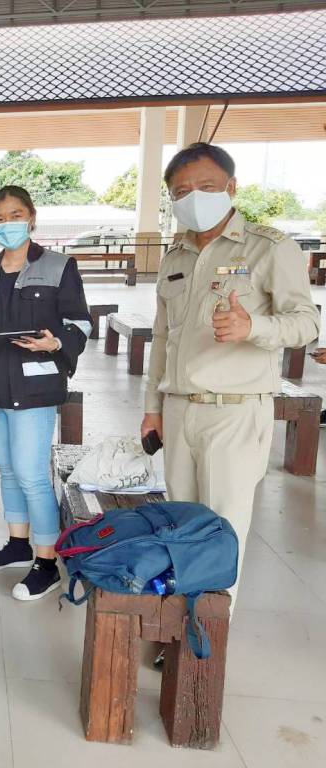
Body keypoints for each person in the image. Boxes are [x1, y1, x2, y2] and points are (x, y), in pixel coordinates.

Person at [141, 142, 320, 598]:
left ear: (231, 187)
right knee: (182, 527)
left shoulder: (269, 248)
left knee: (221, 532)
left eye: (207, 186)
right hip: (179, 408)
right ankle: (180, 620)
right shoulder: (176, 255)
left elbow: (307, 323)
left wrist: (253, 327)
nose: (194, 198)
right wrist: (152, 408)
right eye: (182, 191)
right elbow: (162, 337)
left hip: (235, 412)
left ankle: (206, 631)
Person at [0, 186, 91, 600]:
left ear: (31, 218)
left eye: (15, 215)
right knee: (8, 470)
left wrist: (56, 342)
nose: (6, 224)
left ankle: (47, 562)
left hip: (34, 387)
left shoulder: (58, 267)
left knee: (32, 475)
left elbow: (80, 322)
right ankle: (18, 545)